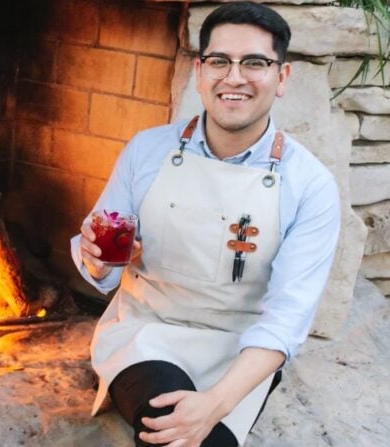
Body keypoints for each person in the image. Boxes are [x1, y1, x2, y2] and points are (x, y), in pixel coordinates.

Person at [71, 2, 340, 446]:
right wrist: (99, 261)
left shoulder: (311, 186)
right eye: (219, 61)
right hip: (146, 333)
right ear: (200, 72)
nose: (234, 77)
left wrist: (215, 404)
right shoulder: (146, 150)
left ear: (282, 78)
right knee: (165, 432)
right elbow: (102, 263)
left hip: (240, 349)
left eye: (254, 63)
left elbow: (287, 319)